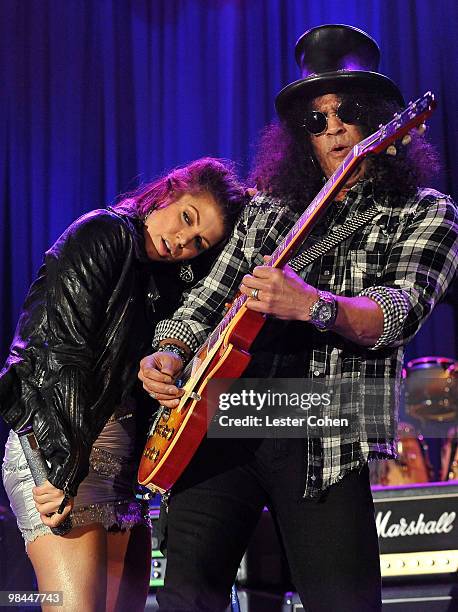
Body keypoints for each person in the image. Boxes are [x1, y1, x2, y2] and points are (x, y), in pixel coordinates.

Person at [138, 25, 458, 612]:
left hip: (328, 423)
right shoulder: (267, 208)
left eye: (350, 111)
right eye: (317, 119)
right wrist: (170, 351)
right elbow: (203, 304)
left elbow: (399, 312)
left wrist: (312, 305)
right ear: (301, 136)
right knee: (187, 596)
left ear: (386, 122)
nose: (334, 127)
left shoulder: (426, 213)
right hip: (224, 415)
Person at [0, 157, 246, 612]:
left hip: (120, 478)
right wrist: (59, 470)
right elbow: (62, 357)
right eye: (186, 219)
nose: (183, 242)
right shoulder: (105, 232)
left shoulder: (165, 280)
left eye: (199, 242)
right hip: (64, 456)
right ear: (169, 191)